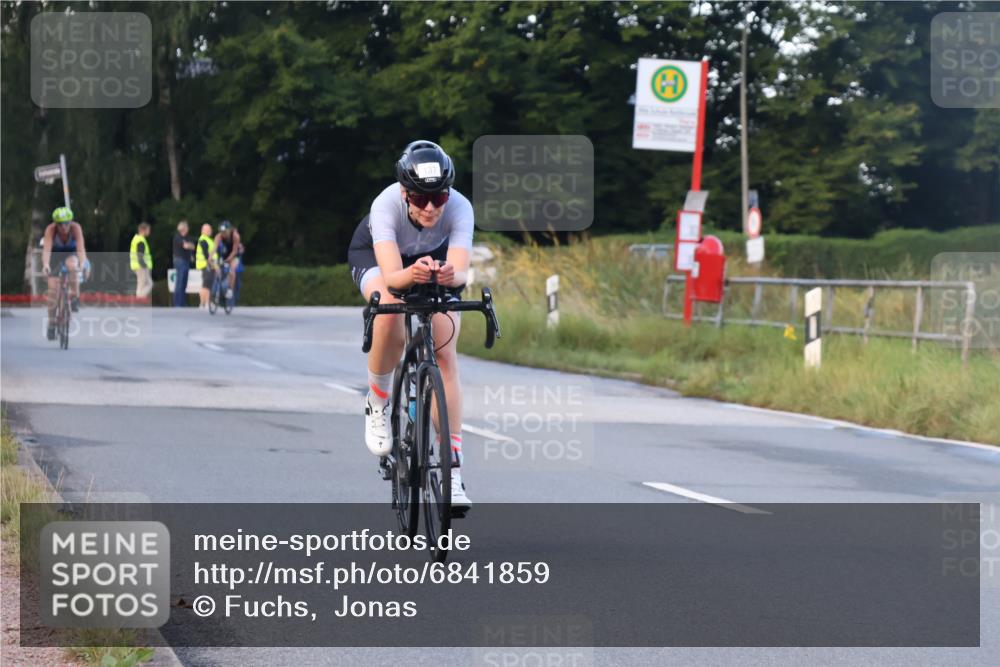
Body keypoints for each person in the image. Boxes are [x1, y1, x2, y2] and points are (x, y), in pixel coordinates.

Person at [347, 140, 473, 510]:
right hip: (380, 257)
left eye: (440, 197)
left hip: (431, 260)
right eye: (420, 199)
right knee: (388, 307)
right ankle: (378, 402)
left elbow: (462, 270)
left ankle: (453, 471)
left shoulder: (461, 208)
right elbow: (392, 277)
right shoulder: (385, 206)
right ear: (405, 194)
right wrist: (410, 274)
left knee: (445, 350)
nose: (432, 207)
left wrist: (450, 275)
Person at [41, 206, 88, 340]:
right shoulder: (51, 230)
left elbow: (80, 249)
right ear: (56, 224)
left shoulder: (76, 228)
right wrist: (45, 265)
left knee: (73, 265)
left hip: (70, 254)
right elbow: (47, 250)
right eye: (60, 224)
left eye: (67, 223)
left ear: (71, 222)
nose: (64, 227)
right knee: (53, 292)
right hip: (54, 256)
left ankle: (74, 297)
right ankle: (51, 323)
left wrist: (83, 263)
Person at [213, 220, 242, 301]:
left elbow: (235, 251)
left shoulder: (235, 236)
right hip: (224, 254)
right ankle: (217, 291)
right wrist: (210, 257)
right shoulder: (219, 236)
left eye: (225, 232)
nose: (223, 234)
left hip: (234, 255)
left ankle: (230, 289)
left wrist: (228, 260)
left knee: (232, 270)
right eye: (221, 232)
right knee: (217, 268)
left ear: (229, 230)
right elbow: (214, 249)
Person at [172, 220, 195, 307]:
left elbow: (192, 246)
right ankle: (177, 303)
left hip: (186, 260)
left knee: (184, 282)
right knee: (180, 282)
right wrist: (189, 245)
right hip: (180, 261)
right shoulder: (177, 237)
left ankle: (182, 302)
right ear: (183, 228)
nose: (187, 229)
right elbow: (186, 246)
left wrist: (189, 245)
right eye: (186, 227)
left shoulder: (188, 237)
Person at [130, 222, 154, 298]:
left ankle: (139, 298)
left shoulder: (137, 239)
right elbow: (140, 254)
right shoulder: (140, 240)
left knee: (141, 285)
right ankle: (139, 298)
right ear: (143, 230)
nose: (149, 231)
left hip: (137, 265)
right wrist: (144, 265)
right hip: (141, 266)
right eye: (148, 230)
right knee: (148, 284)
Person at [195, 223, 215, 309]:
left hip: (206, 264)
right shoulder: (203, 239)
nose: (210, 231)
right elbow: (206, 253)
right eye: (207, 229)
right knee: (206, 285)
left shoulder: (207, 239)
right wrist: (210, 263)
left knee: (206, 284)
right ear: (203, 231)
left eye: (210, 229)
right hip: (206, 264)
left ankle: (203, 303)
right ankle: (206, 303)